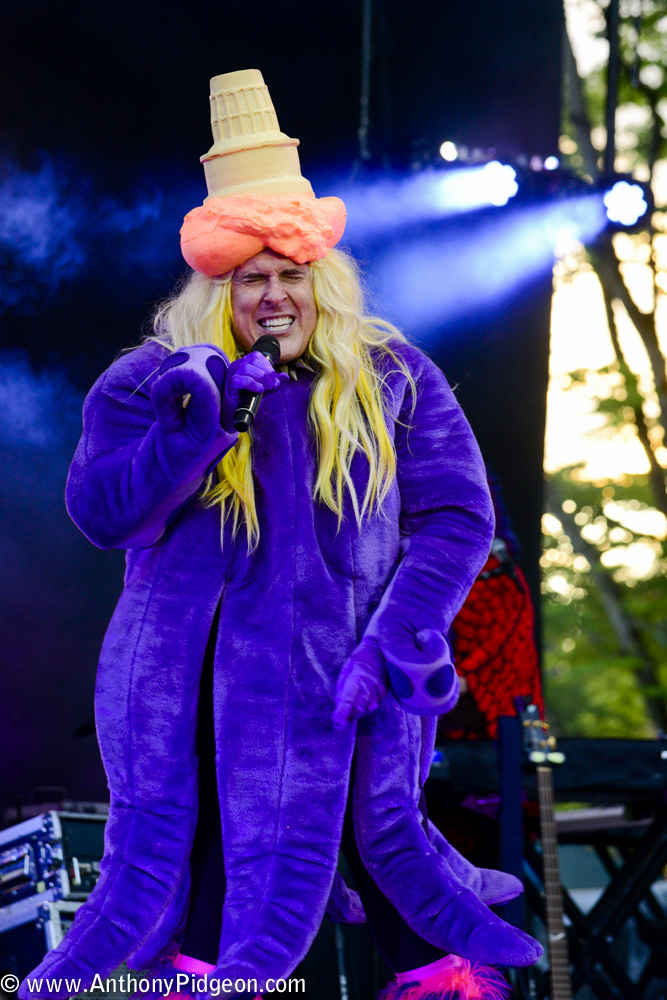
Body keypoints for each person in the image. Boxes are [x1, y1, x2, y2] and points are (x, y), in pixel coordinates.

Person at [19, 70, 542, 1000]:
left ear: (320, 281)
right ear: (217, 291)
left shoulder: (392, 376)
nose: (272, 296)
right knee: (208, 875)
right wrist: (200, 422)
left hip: (348, 686)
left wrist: (394, 639)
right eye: (249, 279)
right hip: (192, 698)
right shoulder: (150, 382)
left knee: (384, 859)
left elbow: (458, 517)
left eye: (288, 276)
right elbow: (104, 516)